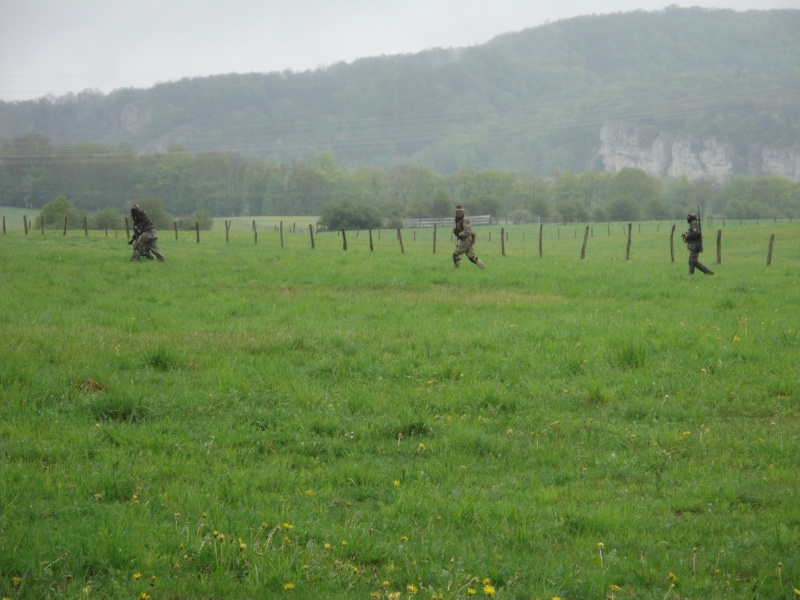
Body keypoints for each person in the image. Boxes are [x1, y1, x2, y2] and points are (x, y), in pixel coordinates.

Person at [452, 204, 485, 269]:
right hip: (465, 239)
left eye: (460, 211)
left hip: (466, 239)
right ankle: (482, 267)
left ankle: (456, 269)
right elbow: (457, 228)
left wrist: (460, 234)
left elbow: (468, 230)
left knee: (456, 254)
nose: (458, 213)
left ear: (462, 211)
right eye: (457, 211)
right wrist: (456, 231)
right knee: (471, 257)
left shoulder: (464, 219)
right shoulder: (457, 219)